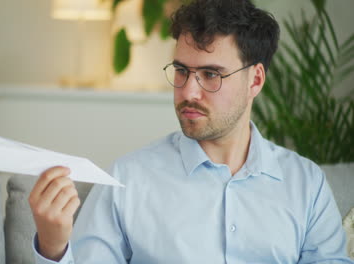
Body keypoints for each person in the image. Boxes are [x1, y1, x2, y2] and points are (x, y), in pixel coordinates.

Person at [28, 0, 352, 263]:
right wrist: (54, 248)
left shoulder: (306, 184)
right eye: (182, 71)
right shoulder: (128, 178)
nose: (188, 92)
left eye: (211, 74)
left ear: (255, 80)